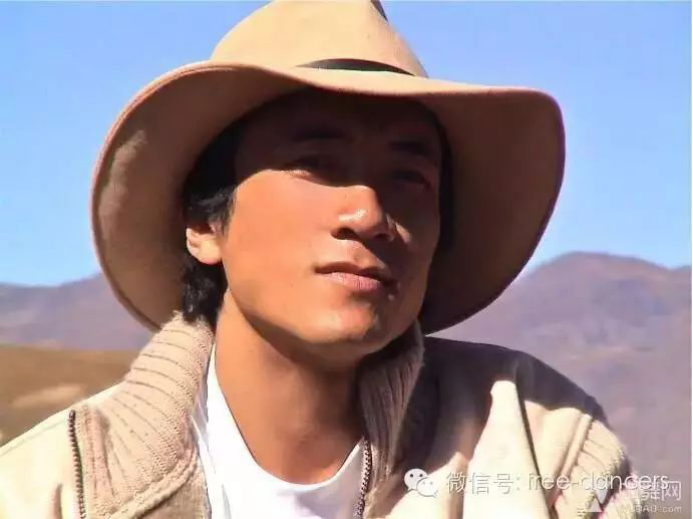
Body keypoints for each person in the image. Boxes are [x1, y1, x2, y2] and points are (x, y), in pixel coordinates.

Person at [0, 1, 646, 518]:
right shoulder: (49, 493)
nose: (367, 212)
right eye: (315, 163)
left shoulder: (541, 447)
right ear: (203, 223)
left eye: (409, 178)